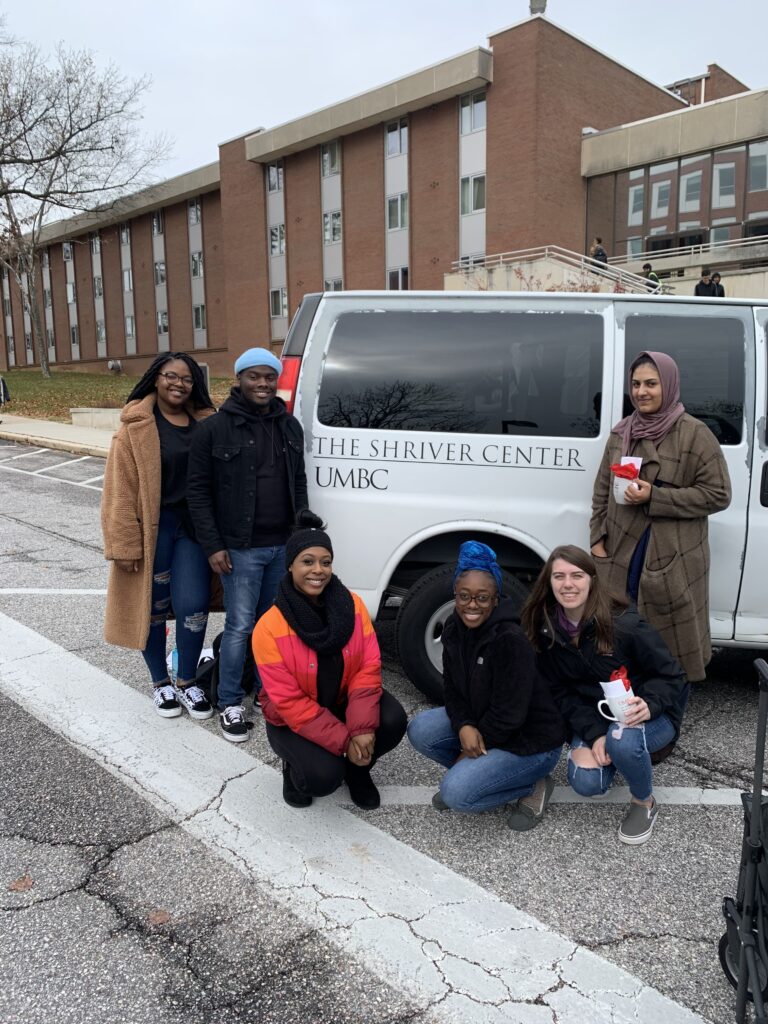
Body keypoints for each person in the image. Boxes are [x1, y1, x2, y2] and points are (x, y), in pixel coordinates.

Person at [522, 545, 687, 845]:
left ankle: (644, 802)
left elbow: (673, 675)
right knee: (587, 782)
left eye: (577, 575)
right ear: (548, 583)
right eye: (558, 576)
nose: (567, 583)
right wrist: (596, 734)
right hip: (598, 719)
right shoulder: (546, 630)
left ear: (592, 580)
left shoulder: (624, 624)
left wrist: (650, 704)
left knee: (622, 739)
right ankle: (616, 753)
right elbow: (560, 693)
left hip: (652, 716)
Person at [187, 347, 308, 743]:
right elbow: (198, 492)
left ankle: (263, 691)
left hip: (281, 547)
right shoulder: (214, 429)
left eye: (269, 377)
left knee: (271, 627)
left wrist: (300, 535)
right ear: (238, 379)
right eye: (254, 376)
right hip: (239, 548)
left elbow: (299, 482)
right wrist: (213, 545)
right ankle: (230, 701)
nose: (263, 384)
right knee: (240, 626)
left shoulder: (289, 426)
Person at [589, 350, 731, 682]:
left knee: (668, 636)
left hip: (672, 552)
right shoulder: (622, 432)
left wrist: (656, 495)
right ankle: (624, 694)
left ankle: (666, 698)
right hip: (621, 548)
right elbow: (600, 491)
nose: (642, 391)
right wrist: (597, 537)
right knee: (622, 624)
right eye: (636, 384)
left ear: (668, 384)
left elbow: (719, 494)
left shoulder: (695, 434)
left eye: (651, 383)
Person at [407, 541, 565, 831]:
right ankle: (483, 776)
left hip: (531, 741)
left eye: (482, 598)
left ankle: (532, 784)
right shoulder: (454, 628)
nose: (472, 605)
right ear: (455, 595)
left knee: (457, 794)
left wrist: (465, 753)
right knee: (420, 730)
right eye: (464, 596)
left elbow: (509, 716)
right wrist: (465, 725)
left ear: (496, 599)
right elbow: (451, 688)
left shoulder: (510, 639)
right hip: (486, 720)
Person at [252, 519, 407, 809]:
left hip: (341, 701)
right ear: (290, 566)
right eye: (307, 561)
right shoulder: (269, 627)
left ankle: (358, 770)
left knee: (393, 720)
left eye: (326, 562)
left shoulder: (354, 606)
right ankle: (293, 767)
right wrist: (344, 740)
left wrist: (361, 729)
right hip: (292, 717)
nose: (318, 570)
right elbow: (289, 701)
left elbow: (368, 666)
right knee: (322, 777)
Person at [102, 352, 217, 720]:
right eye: (171, 375)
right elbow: (118, 490)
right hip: (154, 530)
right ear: (156, 378)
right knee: (151, 607)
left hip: (193, 529)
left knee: (193, 605)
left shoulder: (206, 424)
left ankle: (187, 681)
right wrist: (123, 543)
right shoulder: (135, 427)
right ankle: (159, 682)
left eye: (187, 378)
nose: (178, 384)